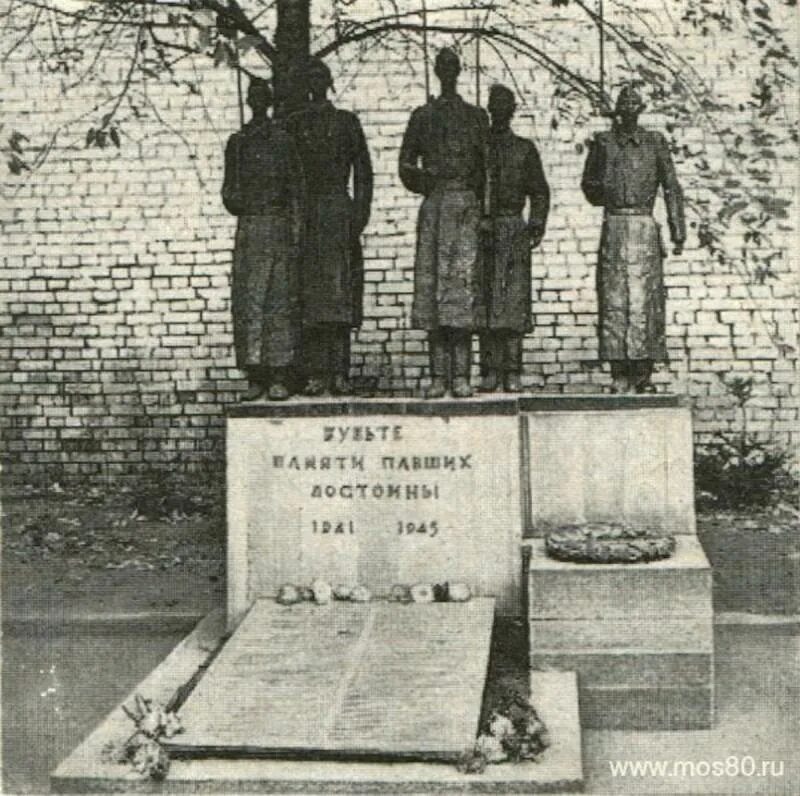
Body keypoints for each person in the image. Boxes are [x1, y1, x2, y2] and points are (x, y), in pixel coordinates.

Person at [581, 84, 686, 393]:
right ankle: (618, 372)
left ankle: (643, 372)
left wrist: (677, 229)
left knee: (646, 299)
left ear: (639, 109)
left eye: (633, 103)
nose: (628, 108)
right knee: (613, 298)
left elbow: (671, 187)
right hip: (615, 225)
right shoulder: (604, 143)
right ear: (617, 109)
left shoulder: (655, 143)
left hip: (643, 226)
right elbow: (589, 185)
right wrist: (605, 190)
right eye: (623, 103)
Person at [399, 48, 489, 398]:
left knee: (463, 290)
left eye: (453, 66)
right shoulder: (422, 116)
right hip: (435, 206)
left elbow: (488, 170)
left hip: (466, 206)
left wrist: (485, 213)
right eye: (442, 67)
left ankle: (462, 374)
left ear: (459, 70)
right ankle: (439, 375)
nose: (447, 72)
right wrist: (427, 176)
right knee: (434, 289)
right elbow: (405, 166)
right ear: (436, 71)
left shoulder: (475, 116)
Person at [287, 57, 373, 396]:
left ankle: (340, 371)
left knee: (340, 296)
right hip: (308, 214)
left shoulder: (346, 122)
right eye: (311, 77)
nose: (316, 82)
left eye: (321, 76)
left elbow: (363, 172)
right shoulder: (295, 124)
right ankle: (316, 373)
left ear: (329, 81)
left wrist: (359, 215)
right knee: (311, 297)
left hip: (339, 211)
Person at [222, 78, 304, 401]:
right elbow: (228, 192)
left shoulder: (283, 141)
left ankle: (279, 374)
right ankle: (254, 374)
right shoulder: (237, 143)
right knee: (250, 301)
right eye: (252, 97)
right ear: (248, 101)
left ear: (267, 102)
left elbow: (296, 189)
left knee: (279, 300)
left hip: (278, 226)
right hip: (250, 228)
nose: (257, 102)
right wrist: (237, 197)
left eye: (262, 97)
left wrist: (296, 231)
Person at [479, 84, 550, 393]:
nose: (499, 112)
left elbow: (539, 191)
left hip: (513, 228)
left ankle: (513, 370)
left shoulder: (524, 149)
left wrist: (535, 225)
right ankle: (489, 371)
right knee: (485, 302)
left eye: (505, 106)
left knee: (514, 303)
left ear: (512, 111)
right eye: (495, 106)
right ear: (489, 110)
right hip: (483, 229)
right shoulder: (479, 147)